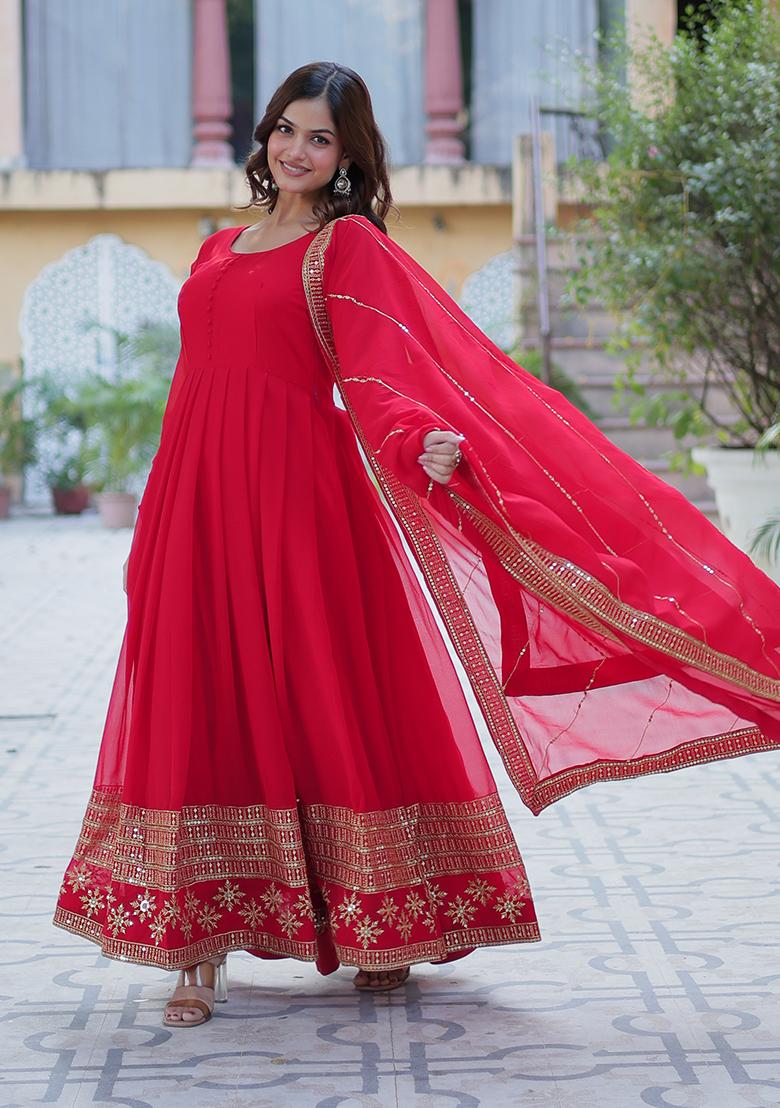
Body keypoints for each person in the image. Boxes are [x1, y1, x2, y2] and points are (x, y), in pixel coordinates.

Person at [54, 62, 780, 1029]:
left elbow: (383, 375)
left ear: (347, 156)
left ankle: (382, 918)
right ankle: (195, 949)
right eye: (286, 129)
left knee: (325, 690)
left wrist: (416, 442)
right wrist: (156, 516)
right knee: (200, 693)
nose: (297, 149)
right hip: (196, 500)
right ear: (265, 134)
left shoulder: (345, 247)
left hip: (300, 505)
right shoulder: (217, 249)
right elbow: (196, 384)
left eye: (320, 138)